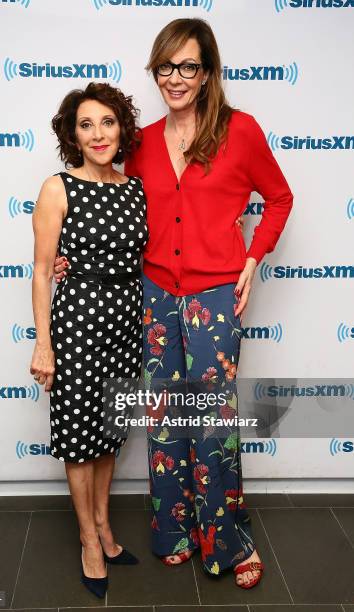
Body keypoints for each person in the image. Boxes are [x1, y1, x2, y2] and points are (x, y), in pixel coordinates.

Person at [54, 18, 293, 589]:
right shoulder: (140, 145)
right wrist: (70, 258)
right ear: (155, 71)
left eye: (189, 66)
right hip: (155, 297)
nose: (176, 77)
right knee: (163, 420)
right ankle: (174, 531)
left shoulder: (243, 132)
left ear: (208, 72)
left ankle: (228, 542)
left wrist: (253, 259)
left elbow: (280, 197)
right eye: (166, 66)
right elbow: (112, 206)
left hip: (214, 297)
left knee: (211, 424)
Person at [30, 82, 148, 599]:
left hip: (125, 322)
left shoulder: (134, 187)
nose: (98, 133)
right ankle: (87, 539)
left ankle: (103, 522)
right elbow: (40, 271)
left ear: (121, 128)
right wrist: (43, 343)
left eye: (107, 122)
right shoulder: (58, 187)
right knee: (80, 437)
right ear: (72, 135)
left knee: (110, 432)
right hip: (78, 322)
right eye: (86, 124)